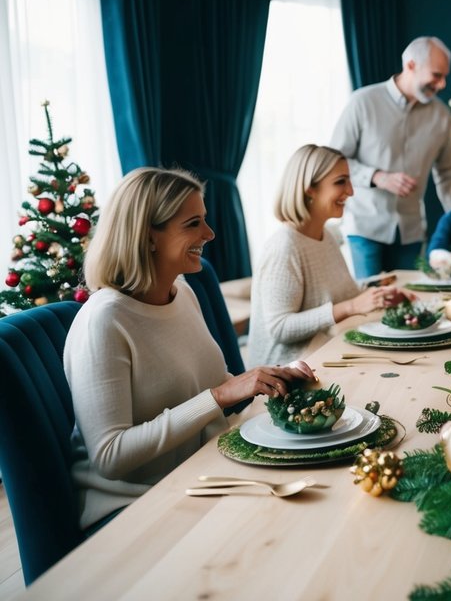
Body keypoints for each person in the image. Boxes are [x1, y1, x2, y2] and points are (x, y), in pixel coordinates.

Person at [65, 167, 315, 529]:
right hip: (135, 506)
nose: (209, 234)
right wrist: (220, 394)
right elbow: (110, 456)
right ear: (148, 236)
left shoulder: (182, 291)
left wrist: (267, 379)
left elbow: (212, 388)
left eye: (205, 220)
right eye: (192, 223)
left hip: (204, 472)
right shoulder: (104, 321)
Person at [248, 145, 412, 366]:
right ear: (309, 189)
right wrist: (351, 307)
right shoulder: (284, 247)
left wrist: (378, 296)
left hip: (324, 353)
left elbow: (339, 294)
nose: (351, 191)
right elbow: (280, 328)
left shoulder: (325, 235)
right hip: (288, 372)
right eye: (340, 181)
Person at [330, 36, 451, 278]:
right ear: (411, 65)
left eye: (444, 76)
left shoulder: (442, 116)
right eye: (436, 75)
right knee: (371, 303)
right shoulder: (362, 102)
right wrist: (377, 177)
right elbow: (334, 160)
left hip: (411, 230)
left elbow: (449, 173)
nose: (442, 84)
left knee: (411, 305)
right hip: (364, 228)